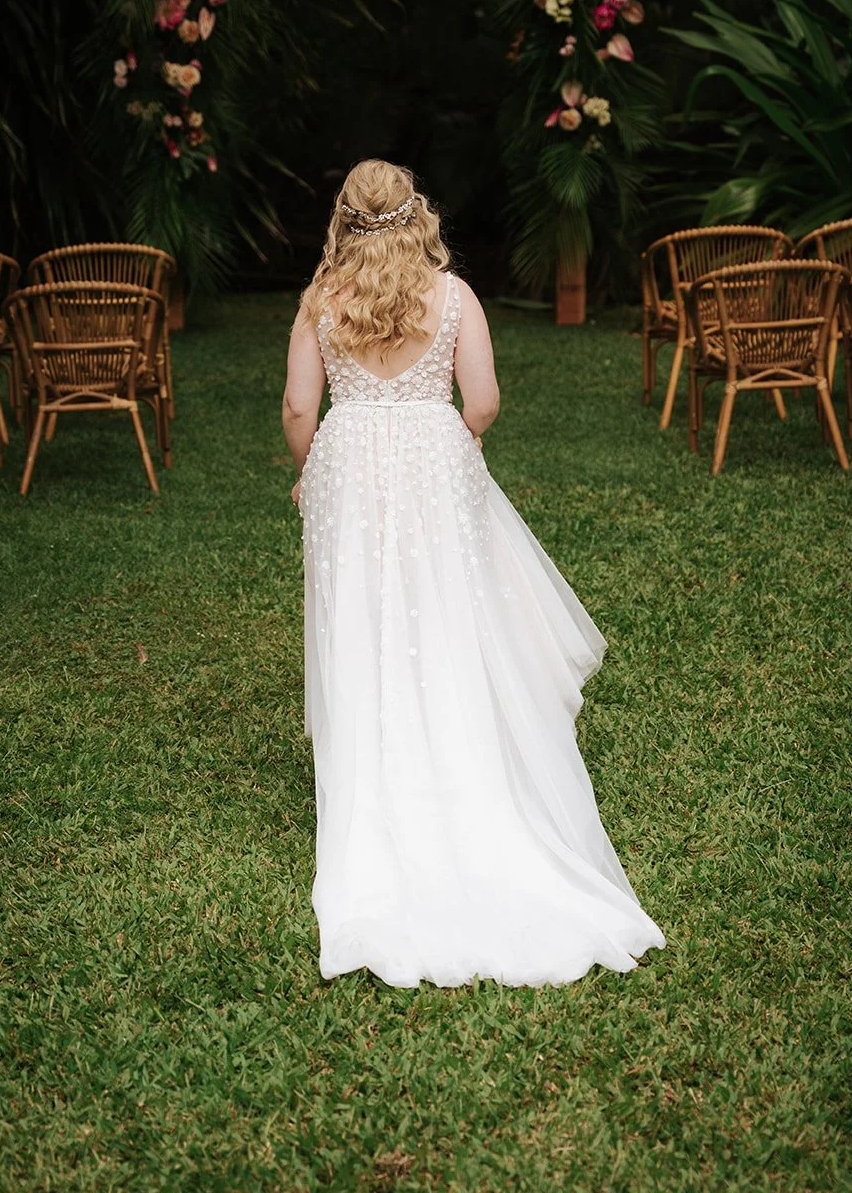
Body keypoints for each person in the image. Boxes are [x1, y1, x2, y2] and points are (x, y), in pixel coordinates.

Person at [282, 159, 665, 987]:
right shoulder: (453, 299)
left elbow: (296, 409)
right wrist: (455, 433)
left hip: (349, 458)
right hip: (432, 450)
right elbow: (481, 402)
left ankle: (376, 772)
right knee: (444, 609)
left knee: (359, 614)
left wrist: (312, 464)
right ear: (415, 214)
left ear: (343, 219)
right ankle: (459, 753)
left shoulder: (321, 303)